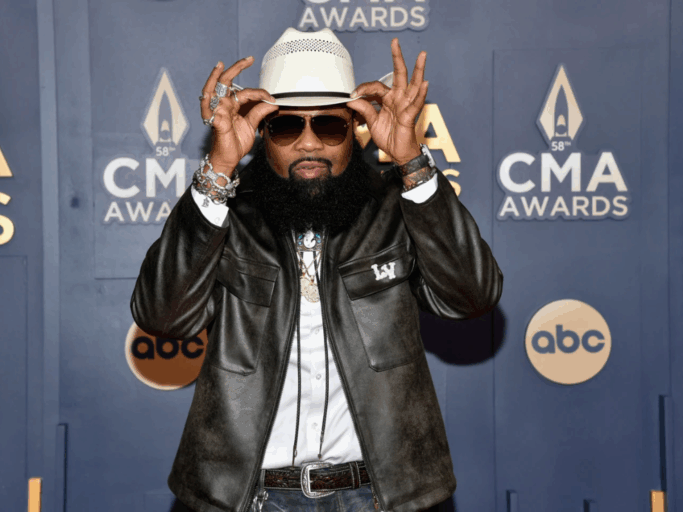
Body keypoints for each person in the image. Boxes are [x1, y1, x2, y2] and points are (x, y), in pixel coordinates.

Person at [131, 27, 503, 512]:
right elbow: (163, 316)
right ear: (262, 134)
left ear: (356, 129)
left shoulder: (398, 209)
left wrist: (412, 162)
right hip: (248, 497)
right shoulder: (226, 218)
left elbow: (472, 297)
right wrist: (219, 169)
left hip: (379, 497)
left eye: (328, 126)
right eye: (286, 127)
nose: (309, 145)